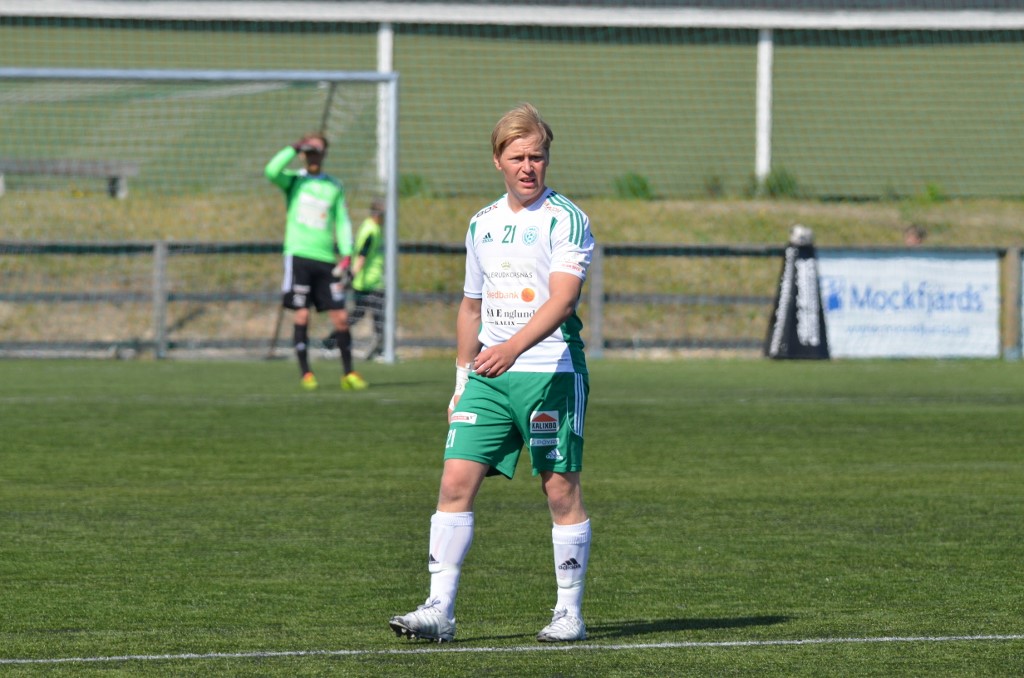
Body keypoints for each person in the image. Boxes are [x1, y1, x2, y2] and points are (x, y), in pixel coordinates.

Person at [388, 103, 595, 644]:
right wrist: (462, 381)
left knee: (559, 490)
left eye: (537, 157)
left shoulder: (566, 219)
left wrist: (511, 348)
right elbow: (470, 306)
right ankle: (439, 609)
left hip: (550, 373)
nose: (529, 167)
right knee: (455, 481)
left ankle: (568, 612)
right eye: (518, 157)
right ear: (498, 161)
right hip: (487, 376)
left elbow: (564, 300)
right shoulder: (482, 222)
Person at [264, 133, 368, 391]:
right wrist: (294, 146)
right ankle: (306, 373)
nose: (313, 156)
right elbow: (271, 171)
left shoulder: (334, 186)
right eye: (308, 151)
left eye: (317, 151)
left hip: (326, 260)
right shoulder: (294, 181)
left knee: (341, 316)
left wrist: (347, 253)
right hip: (299, 256)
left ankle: (349, 373)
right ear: (303, 154)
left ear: (325, 154)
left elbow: (342, 220)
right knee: (301, 314)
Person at [324, 198, 386, 360]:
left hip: (368, 280)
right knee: (376, 316)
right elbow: (361, 257)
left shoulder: (369, 226)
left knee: (363, 315)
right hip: (369, 282)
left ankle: (331, 341)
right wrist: (350, 277)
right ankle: (332, 341)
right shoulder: (371, 231)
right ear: (378, 215)